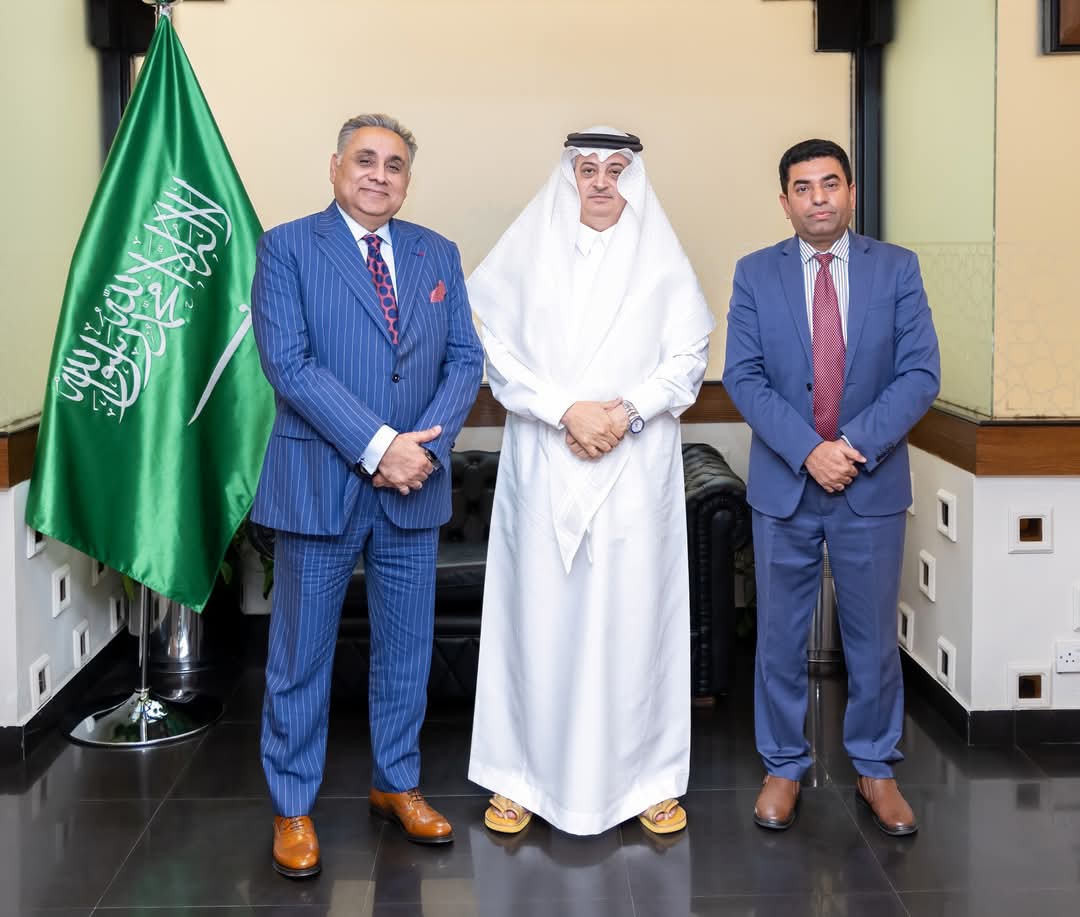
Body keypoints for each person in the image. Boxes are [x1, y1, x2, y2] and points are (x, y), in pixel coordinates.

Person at [250, 113, 483, 877]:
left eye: (394, 164)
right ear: (335, 167)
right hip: (319, 482)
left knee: (406, 651)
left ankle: (397, 783)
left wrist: (424, 451)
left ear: (407, 179)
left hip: (415, 486)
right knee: (300, 656)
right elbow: (289, 364)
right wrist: (382, 446)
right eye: (366, 160)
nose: (379, 175)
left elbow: (465, 361)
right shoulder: (287, 247)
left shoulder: (435, 252)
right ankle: (292, 805)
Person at [467, 127, 714, 836]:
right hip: (546, 460)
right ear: (568, 177)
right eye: (587, 169)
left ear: (633, 180)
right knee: (537, 620)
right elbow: (495, 351)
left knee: (636, 622)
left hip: (635, 468)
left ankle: (647, 781)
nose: (602, 182)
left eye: (615, 170)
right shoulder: (528, 256)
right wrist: (566, 411)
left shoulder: (661, 261)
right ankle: (520, 778)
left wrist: (623, 412)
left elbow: (688, 358)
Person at [723, 138, 940, 836]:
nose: (818, 198)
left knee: (871, 638)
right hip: (785, 485)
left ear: (850, 191)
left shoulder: (897, 268)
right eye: (803, 187)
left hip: (868, 484)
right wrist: (809, 451)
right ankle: (783, 766)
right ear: (784, 201)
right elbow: (743, 376)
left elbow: (919, 374)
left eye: (830, 183)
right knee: (779, 638)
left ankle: (876, 767)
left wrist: (850, 448)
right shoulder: (755, 273)